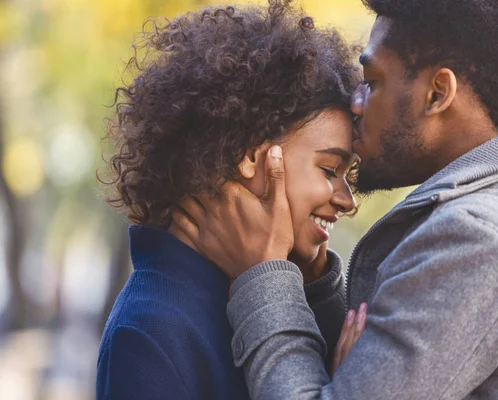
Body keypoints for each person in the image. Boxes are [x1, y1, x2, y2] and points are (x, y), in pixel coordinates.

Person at [174, 0, 498, 398]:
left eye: (373, 82)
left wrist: (263, 274)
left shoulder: (475, 239)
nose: (356, 103)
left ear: (437, 93)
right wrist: (315, 286)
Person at [96, 1, 366, 399]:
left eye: (350, 176)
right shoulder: (151, 328)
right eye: (329, 170)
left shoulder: (270, 292)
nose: (348, 201)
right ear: (255, 158)